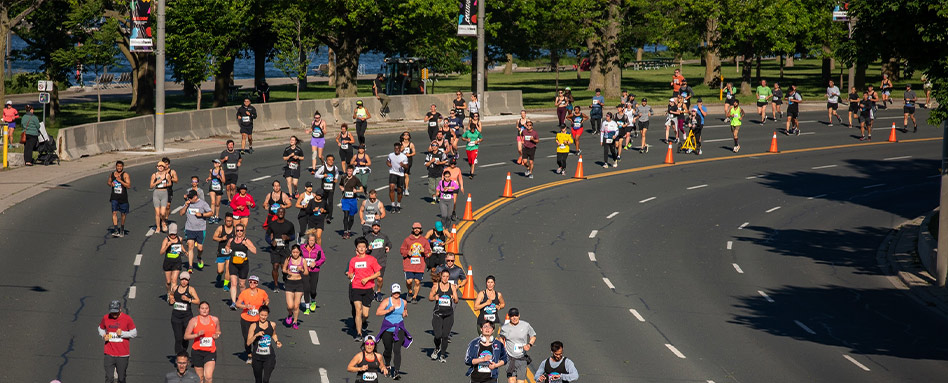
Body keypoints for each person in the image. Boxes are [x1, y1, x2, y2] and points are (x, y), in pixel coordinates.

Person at [348, 236, 383, 341]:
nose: (362, 248)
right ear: (357, 248)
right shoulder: (353, 260)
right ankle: (358, 334)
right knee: (358, 311)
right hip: (356, 287)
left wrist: (368, 278)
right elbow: (350, 273)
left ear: (366, 248)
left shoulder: (371, 259)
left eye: (363, 246)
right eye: (360, 247)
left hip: (368, 288)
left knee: (365, 314)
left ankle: (364, 322)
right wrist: (350, 275)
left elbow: (378, 273)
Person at [376, 284, 410, 380]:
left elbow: (405, 311)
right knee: (388, 350)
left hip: (399, 329)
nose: (396, 294)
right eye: (394, 292)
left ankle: (396, 371)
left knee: (397, 350)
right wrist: (388, 310)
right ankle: (387, 364)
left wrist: (405, 313)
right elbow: (378, 312)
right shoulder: (387, 301)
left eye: (398, 292)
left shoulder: (404, 302)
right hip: (387, 329)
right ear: (391, 292)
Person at [99, 300, 137, 383]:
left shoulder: (127, 319)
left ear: (120, 309)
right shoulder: (106, 318)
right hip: (109, 353)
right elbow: (101, 328)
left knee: (121, 378)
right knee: (109, 378)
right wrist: (103, 335)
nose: (114, 315)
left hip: (123, 354)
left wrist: (123, 334)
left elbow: (134, 333)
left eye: (116, 312)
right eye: (112, 313)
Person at [183, 301, 220, 382]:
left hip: (210, 352)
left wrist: (216, 335)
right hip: (197, 352)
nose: (204, 310)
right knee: (200, 378)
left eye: (206, 308)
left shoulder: (214, 319)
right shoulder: (194, 320)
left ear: (209, 309)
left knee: (208, 377)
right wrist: (197, 335)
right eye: (202, 308)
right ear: (199, 309)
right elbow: (186, 336)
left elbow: (218, 331)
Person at [236, 275, 269, 363]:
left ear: (257, 283)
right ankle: (249, 354)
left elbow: (267, 299)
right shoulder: (245, 293)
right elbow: (237, 304)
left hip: (257, 319)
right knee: (247, 338)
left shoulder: (262, 292)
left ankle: (256, 355)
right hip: (246, 318)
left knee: (257, 338)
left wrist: (265, 304)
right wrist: (245, 306)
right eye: (250, 282)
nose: (252, 284)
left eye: (254, 282)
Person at [429, 268, 459, 362]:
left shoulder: (452, 287)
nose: (445, 278)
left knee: (445, 335)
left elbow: (456, 301)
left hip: (448, 314)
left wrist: (454, 297)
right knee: (438, 335)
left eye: (447, 277)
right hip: (438, 314)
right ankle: (437, 347)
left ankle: (442, 355)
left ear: (449, 277)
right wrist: (435, 297)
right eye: (443, 276)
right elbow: (430, 297)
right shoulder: (436, 286)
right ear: (441, 277)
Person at [499, 308, 537, 383]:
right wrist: (503, 348)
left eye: (516, 315)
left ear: (519, 315)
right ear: (509, 317)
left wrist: (529, 344)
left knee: (520, 381)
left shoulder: (525, 325)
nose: (514, 318)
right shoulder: (505, 328)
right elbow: (501, 338)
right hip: (510, 358)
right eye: (512, 316)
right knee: (511, 380)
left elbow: (533, 335)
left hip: (521, 358)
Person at [227, 225, 259, 310]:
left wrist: (247, 245)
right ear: (235, 231)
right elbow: (227, 246)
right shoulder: (231, 240)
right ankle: (233, 302)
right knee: (233, 283)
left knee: (242, 284)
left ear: (243, 231)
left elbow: (255, 251)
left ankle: (243, 300)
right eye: (237, 230)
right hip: (233, 263)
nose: (239, 232)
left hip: (243, 265)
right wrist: (227, 250)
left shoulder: (246, 240)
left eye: (241, 230)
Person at [247, 305, 282, 383]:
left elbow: (273, 334)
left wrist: (277, 341)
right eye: (262, 315)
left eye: (265, 315)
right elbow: (248, 342)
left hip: (269, 357)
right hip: (257, 358)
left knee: (266, 380)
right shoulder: (253, 326)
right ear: (259, 314)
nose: (263, 317)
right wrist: (256, 335)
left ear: (268, 315)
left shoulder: (272, 324)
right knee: (258, 380)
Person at [180, 190, 212, 272]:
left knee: (200, 248)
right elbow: (181, 213)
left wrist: (201, 215)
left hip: (200, 229)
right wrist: (185, 206)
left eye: (191, 198)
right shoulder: (188, 203)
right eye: (188, 197)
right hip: (189, 228)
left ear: (195, 197)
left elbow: (211, 213)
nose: (189, 199)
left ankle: (199, 257)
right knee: (190, 246)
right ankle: (190, 266)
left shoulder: (203, 204)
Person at [401, 222, 432, 302]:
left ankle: (414, 297)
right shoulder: (407, 240)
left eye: (418, 228)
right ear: (413, 229)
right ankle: (410, 291)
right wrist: (407, 252)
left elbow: (429, 253)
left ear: (421, 229)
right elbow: (402, 250)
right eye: (415, 228)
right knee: (409, 281)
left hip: (419, 265)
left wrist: (424, 251)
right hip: (409, 265)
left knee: (417, 282)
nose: (417, 230)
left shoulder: (424, 241)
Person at [266, 208, 296, 291]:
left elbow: (293, 236)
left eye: (282, 212)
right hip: (275, 249)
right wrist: (271, 242)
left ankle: (285, 278)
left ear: (285, 213)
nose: (281, 213)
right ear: (277, 213)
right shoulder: (272, 224)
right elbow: (267, 236)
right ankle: (276, 285)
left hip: (284, 249)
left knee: (284, 268)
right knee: (275, 266)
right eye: (279, 212)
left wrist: (288, 237)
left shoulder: (289, 224)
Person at [170, 270, 198, 354]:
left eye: (186, 280)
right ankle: (179, 356)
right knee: (178, 338)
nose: (184, 281)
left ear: (188, 281)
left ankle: (183, 353)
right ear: (179, 279)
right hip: (176, 317)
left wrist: (189, 299)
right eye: (182, 279)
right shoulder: (175, 288)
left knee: (185, 337)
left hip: (187, 317)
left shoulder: (191, 289)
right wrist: (171, 299)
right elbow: (171, 295)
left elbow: (198, 301)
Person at [281, 244, 308, 329]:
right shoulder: (288, 259)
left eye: (297, 252)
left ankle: (295, 321)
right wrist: (287, 272)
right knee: (290, 305)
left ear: (299, 252)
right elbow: (283, 269)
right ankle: (290, 314)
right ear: (291, 252)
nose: (295, 254)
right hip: (289, 283)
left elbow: (306, 273)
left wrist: (302, 270)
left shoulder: (303, 260)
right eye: (293, 252)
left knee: (296, 305)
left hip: (299, 283)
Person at [365, 222, 393, 301]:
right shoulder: (367, 237)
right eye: (374, 226)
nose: (376, 227)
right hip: (370, 261)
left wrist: (388, 247)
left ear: (380, 228)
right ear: (372, 227)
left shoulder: (384, 236)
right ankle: (372, 293)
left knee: (380, 279)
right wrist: (368, 249)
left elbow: (389, 243)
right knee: (371, 279)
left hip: (381, 261)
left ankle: (379, 292)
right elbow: (363, 249)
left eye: (377, 226)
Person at [300, 232, 325, 314]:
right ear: (307, 240)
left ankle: (313, 301)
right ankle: (307, 308)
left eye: (313, 240)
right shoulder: (302, 248)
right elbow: (298, 257)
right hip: (305, 271)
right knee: (306, 289)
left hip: (315, 271)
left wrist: (316, 263)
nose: (311, 242)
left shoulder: (318, 248)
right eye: (310, 240)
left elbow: (323, 258)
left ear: (315, 241)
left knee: (313, 290)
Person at [161, 223, 188, 296]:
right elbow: (161, 252)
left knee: (174, 280)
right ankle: (169, 292)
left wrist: (185, 251)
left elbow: (181, 245)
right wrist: (167, 245)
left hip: (177, 262)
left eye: (174, 234)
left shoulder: (180, 238)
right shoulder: (166, 240)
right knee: (168, 282)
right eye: (171, 234)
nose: (173, 236)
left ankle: (172, 296)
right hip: (168, 262)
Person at [339, 166, 365, 238]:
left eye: (351, 171)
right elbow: (340, 185)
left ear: (353, 171)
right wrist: (341, 188)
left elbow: (362, 189)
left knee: (351, 217)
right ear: (346, 171)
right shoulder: (343, 178)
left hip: (353, 200)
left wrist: (357, 191)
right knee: (346, 215)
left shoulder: (355, 179)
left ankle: (349, 229)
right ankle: (345, 231)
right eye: (348, 171)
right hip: (345, 199)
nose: (349, 172)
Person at [211, 213, 235, 290]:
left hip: (231, 253)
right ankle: (220, 275)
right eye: (227, 221)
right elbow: (214, 237)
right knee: (220, 270)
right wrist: (221, 239)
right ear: (224, 220)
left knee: (228, 268)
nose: (229, 222)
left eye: (230, 221)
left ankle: (226, 285)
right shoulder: (220, 228)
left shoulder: (235, 229)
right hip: (221, 253)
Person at [314, 155, 340, 223]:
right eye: (329, 160)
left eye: (332, 160)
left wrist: (336, 178)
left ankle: (329, 216)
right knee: (323, 201)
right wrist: (323, 176)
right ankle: (323, 214)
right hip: (324, 188)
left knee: (330, 202)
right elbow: (316, 175)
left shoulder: (335, 168)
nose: (331, 161)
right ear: (326, 161)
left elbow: (337, 173)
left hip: (331, 188)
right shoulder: (323, 168)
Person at [108, 161, 131, 237]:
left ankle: (122, 229)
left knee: (123, 214)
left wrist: (120, 181)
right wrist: (111, 184)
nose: (119, 168)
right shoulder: (112, 174)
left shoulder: (125, 175)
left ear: (123, 167)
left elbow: (128, 186)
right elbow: (108, 182)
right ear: (116, 166)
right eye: (118, 166)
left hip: (123, 197)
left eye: (120, 166)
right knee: (114, 212)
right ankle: (115, 229)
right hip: (114, 197)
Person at [151, 160, 175, 233]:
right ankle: (158, 227)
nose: (160, 168)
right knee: (157, 213)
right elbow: (151, 185)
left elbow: (170, 183)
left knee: (163, 213)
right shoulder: (154, 175)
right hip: (156, 193)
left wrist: (166, 185)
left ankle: (163, 222)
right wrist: (157, 182)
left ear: (164, 167)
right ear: (157, 167)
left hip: (164, 193)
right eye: (159, 166)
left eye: (162, 166)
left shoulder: (166, 175)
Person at [386, 142, 409, 212]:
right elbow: (387, 161)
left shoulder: (404, 157)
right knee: (391, 187)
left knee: (399, 190)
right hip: (393, 172)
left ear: (400, 149)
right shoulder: (391, 155)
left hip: (400, 174)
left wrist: (403, 165)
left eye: (398, 148)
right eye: (395, 148)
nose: (397, 150)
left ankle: (398, 204)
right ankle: (393, 204)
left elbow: (407, 167)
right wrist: (388, 164)